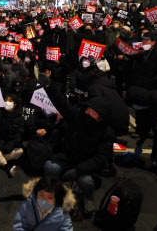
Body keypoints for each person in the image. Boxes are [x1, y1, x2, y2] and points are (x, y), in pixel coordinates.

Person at [44, 82, 113, 215]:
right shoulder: (77, 116)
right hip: (68, 157)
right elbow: (62, 104)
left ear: (101, 118)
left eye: (94, 113)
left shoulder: (106, 132)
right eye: (88, 110)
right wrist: (49, 87)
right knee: (50, 166)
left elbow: (100, 158)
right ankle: (53, 192)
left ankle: (88, 197)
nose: (89, 113)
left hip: (85, 164)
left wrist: (78, 170)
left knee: (85, 181)